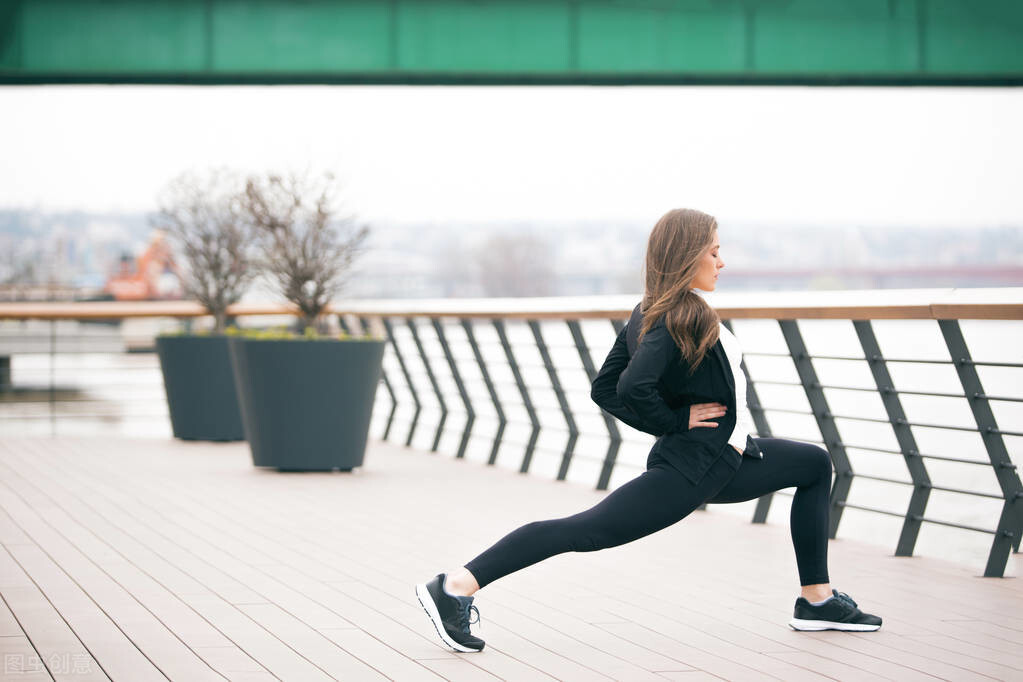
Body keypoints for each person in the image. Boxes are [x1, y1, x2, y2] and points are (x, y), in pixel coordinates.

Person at [415, 208, 882, 653]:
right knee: (582, 530)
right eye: (713, 252)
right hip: (691, 470)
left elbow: (605, 387)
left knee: (815, 463)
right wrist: (678, 422)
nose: (722, 262)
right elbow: (631, 387)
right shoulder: (684, 316)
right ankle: (455, 586)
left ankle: (816, 600)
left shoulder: (652, 310)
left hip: (726, 457)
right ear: (686, 257)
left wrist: (684, 425)